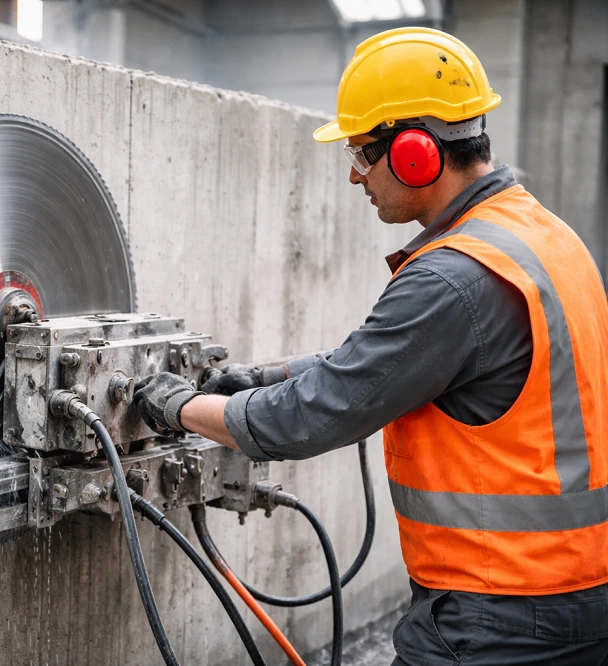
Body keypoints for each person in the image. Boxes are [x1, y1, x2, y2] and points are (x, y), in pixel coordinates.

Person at [132, 27, 608, 665]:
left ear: (417, 152)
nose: (356, 176)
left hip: (496, 615)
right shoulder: (544, 237)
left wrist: (174, 407)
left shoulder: (453, 277)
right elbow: (389, 365)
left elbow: (315, 413)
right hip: (575, 595)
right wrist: (254, 377)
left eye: (362, 152)